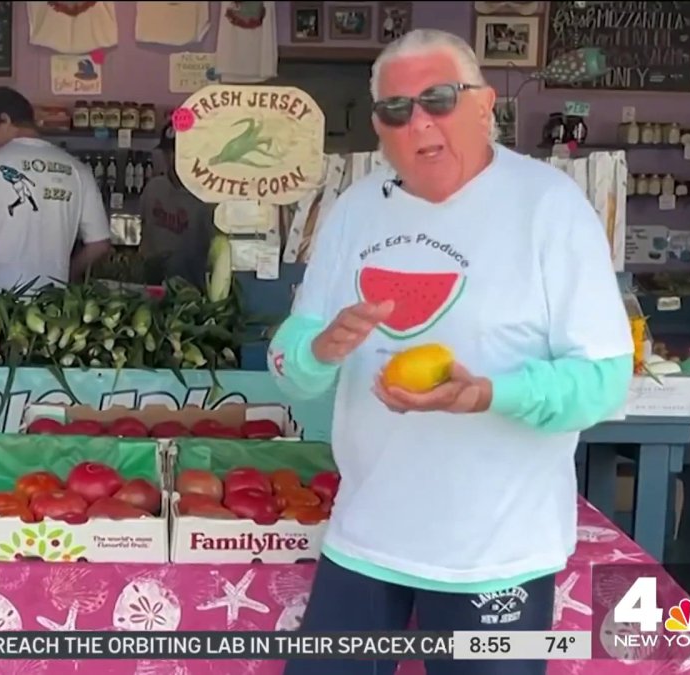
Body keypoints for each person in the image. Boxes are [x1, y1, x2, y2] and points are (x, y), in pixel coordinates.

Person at [270, 29, 633, 675]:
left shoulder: (550, 208)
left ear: (485, 104)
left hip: (496, 553)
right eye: (396, 108)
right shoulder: (354, 209)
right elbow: (289, 363)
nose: (420, 123)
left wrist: (491, 393)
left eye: (439, 98)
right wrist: (320, 349)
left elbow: (603, 381)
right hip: (366, 536)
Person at [0, 86, 111, 291]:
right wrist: (67, 274)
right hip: (54, 303)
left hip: (0, 303)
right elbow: (99, 245)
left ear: (5, 120)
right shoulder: (77, 169)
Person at [138, 123, 215, 288]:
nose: (173, 157)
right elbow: (144, 235)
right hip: (154, 287)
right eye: (169, 152)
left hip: (194, 292)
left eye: (179, 151)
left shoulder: (207, 197)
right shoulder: (153, 188)